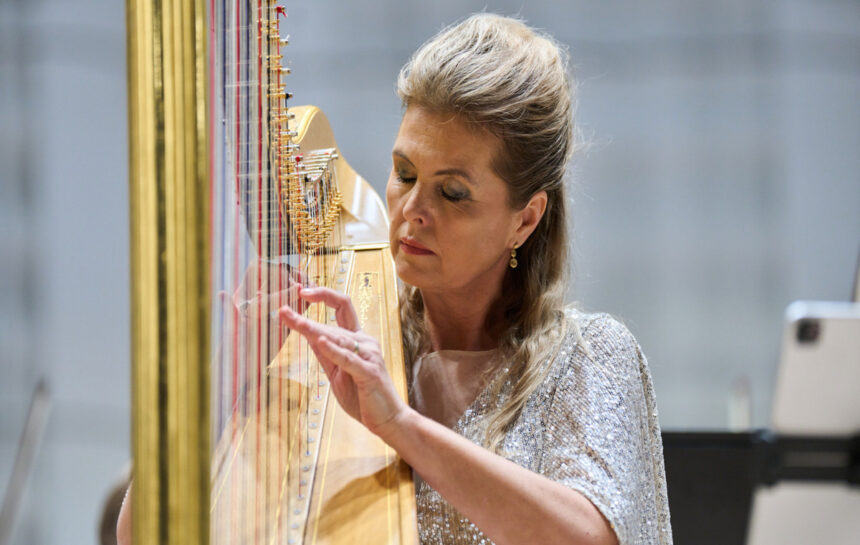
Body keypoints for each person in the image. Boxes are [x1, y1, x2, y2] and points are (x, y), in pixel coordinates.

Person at [119, 13, 671, 545]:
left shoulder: (591, 357)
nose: (412, 210)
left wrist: (400, 424)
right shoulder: (338, 342)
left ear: (524, 220)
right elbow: (137, 533)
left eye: (452, 193)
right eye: (404, 174)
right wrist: (223, 383)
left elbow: (589, 535)